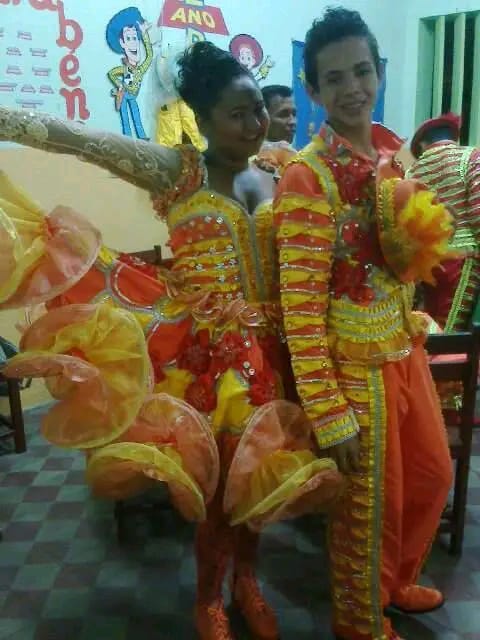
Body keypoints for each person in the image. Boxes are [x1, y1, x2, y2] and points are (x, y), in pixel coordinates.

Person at [0, 42, 342, 640]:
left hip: (277, 352)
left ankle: (248, 582)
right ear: (202, 120)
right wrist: (9, 120)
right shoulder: (177, 171)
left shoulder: (278, 170)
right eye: (237, 114)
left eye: (258, 109)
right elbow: (78, 138)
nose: (255, 123)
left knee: (265, 477)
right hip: (209, 360)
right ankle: (210, 599)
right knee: (217, 487)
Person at [274, 8, 453, 640]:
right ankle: (359, 620)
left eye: (362, 71)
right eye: (334, 78)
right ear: (314, 89)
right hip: (350, 368)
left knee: (432, 475)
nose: (353, 88)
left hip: (403, 346)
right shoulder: (307, 176)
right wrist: (328, 412)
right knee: (368, 504)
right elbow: (300, 310)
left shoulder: (390, 156)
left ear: (378, 71)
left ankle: (396, 582)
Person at [407, 113, 480, 331]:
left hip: (425, 264)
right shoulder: (470, 157)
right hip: (463, 258)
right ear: (454, 137)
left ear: (422, 144)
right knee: (451, 331)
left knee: (428, 326)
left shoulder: (411, 172)